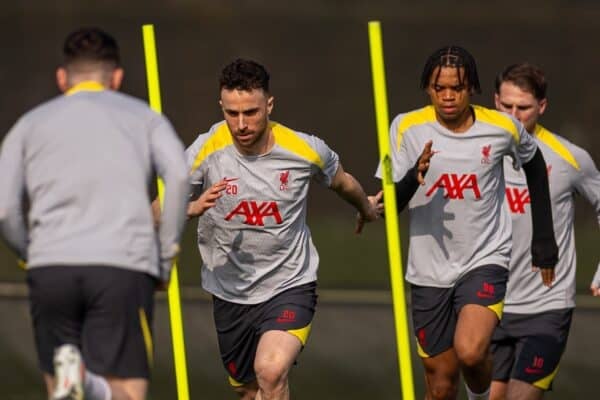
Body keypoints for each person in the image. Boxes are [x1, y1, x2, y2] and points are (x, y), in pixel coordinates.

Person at [0, 28, 189, 400]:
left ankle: (82, 383)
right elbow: (180, 176)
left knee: (60, 389)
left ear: (62, 78)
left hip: (51, 267)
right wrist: (164, 257)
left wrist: (29, 253)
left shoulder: (30, 123)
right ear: (116, 78)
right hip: (122, 267)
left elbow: (4, 208)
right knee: (127, 393)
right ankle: (92, 385)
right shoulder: (145, 118)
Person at [184, 58, 380, 400]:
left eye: (251, 112)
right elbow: (158, 211)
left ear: (269, 105)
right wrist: (187, 209)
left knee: (271, 371)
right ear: (221, 107)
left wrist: (366, 208)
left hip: (289, 283)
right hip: (230, 291)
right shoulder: (205, 150)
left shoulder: (304, 150)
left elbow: (342, 181)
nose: (241, 124)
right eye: (232, 113)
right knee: (250, 392)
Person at [375, 46, 558, 400]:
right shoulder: (406, 127)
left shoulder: (502, 127)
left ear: (471, 87)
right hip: (428, 270)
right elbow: (390, 205)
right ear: (427, 87)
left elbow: (535, 167)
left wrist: (544, 241)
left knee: (471, 351)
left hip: (484, 259)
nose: (447, 96)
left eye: (456, 88)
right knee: (441, 386)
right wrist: (415, 176)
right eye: (438, 87)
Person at [490, 63, 600, 400]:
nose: (513, 115)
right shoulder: (478, 151)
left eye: (522, 108)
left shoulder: (569, 157)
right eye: (506, 106)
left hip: (546, 306)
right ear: (495, 101)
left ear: (542, 107)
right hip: (489, 305)